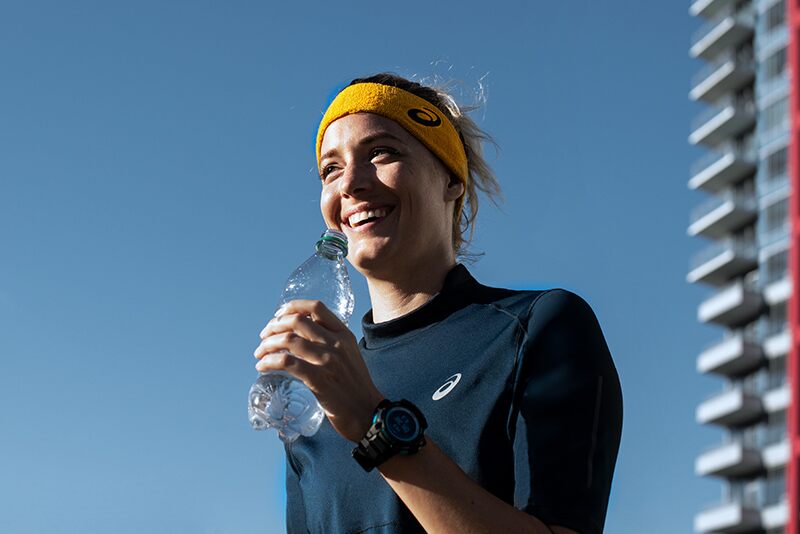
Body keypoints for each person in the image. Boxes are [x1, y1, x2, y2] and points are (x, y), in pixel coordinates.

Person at [253, 73, 623, 534]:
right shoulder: (318, 390)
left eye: (381, 152)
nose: (350, 183)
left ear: (451, 179)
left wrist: (375, 424)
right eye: (331, 169)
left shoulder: (536, 328)